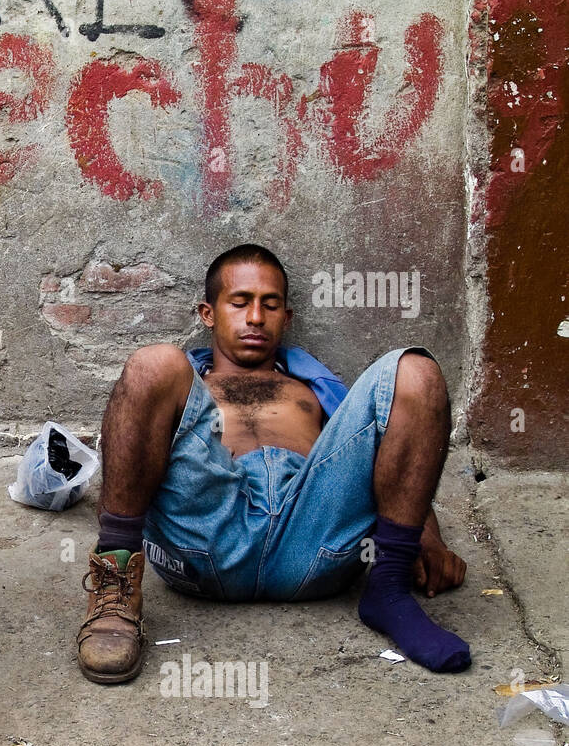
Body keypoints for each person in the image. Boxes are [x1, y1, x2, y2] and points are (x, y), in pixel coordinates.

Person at [77, 244, 469, 683]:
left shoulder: (316, 388)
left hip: (314, 535)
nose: (256, 318)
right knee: (152, 362)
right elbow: (129, 463)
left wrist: (427, 537)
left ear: (288, 317)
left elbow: (384, 457)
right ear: (209, 314)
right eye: (240, 303)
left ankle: (389, 591)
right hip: (208, 537)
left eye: (271, 304)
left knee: (416, 369)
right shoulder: (183, 387)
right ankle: (114, 588)